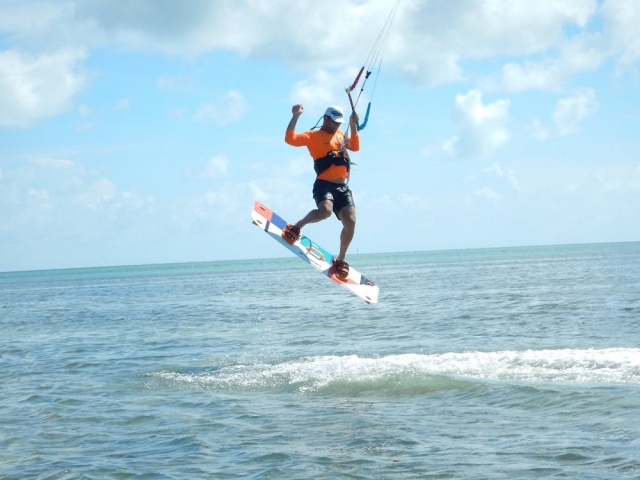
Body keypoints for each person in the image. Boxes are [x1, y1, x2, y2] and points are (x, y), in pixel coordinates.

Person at [282, 104, 360, 279]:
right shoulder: (313, 136)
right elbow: (290, 139)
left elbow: (354, 147)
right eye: (334, 122)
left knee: (351, 220)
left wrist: (353, 125)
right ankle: (297, 227)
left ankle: (340, 259)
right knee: (325, 211)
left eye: (340, 123)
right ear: (325, 119)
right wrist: (296, 115)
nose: (337, 126)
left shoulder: (341, 135)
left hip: (342, 187)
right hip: (324, 184)